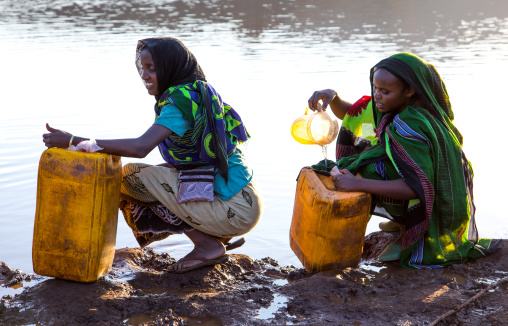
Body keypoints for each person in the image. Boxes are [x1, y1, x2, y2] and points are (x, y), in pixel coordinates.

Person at [42, 37, 262, 273]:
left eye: (152, 69)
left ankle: (208, 244)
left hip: (234, 209)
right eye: (143, 68)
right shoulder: (196, 94)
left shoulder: (178, 105)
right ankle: (215, 236)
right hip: (244, 201)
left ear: (170, 68)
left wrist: (76, 141)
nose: (144, 76)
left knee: (130, 178)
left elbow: (140, 147)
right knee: (158, 173)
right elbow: (193, 163)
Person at [308, 52, 501, 268]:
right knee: (367, 150)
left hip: (436, 202)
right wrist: (333, 96)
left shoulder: (408, 127)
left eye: (385, 91)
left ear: (409, 90)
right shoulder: (410, 107)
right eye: (375, 88)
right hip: (432, 187)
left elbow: (417, 187)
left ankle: (409, 232)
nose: (377, 95)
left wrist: (357, 183)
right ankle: (402, 219)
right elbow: (354, 113)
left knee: (368, 168)